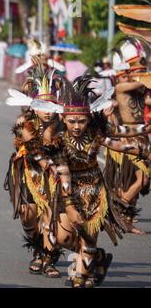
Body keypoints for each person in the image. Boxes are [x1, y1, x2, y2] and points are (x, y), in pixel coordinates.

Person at [44, 75, 151, 288]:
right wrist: (70, 206)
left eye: (82, 121)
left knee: (88, 238)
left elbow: (119, 141)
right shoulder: (58, 141)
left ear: (89, 119)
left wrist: (143, 149)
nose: (77, 126)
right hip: (68, 192)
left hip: (94, 190)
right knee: (61, 238)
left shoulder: (95, 134)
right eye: (72, 121)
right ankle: (97, 257)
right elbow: (64, 174)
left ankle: (81, 274)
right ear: (64, 119)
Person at [5, 63, 64, 278]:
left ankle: (49, 258)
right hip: (29, 173)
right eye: (42, 106)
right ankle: (38, 248)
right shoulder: (24, 122)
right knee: (28, 216)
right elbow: (34, 148)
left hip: (55, 175)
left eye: (51, 106)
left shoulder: (64, 122)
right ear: (33, 106)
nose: (47, 112)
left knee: (52, 218)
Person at [103, 37, 151, 234]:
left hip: (142, 136)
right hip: (128, 138)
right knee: (143, 179)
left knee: (136, 181)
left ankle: (125, 220)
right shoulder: (122, 88)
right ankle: (117, 205)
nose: (125, 78)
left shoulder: (140, 91)